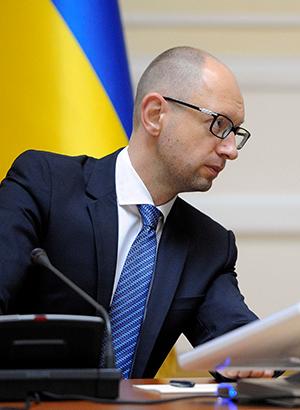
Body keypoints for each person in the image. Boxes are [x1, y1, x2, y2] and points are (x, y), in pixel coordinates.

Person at [0, 47, 265, 379]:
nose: (230, 149)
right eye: (219, 124)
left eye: (235, 133)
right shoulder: (45, 185)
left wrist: (289, 347)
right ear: (155, 115)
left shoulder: (208, 244)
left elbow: (238, 343)